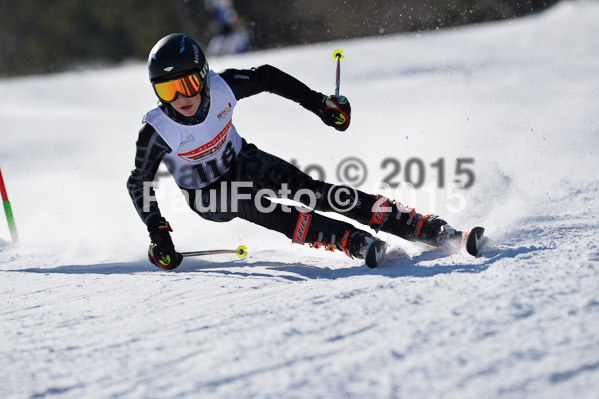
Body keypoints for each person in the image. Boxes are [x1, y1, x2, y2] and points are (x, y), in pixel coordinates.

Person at [127, 33, 464, 270]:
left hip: (243, 160)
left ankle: (422, 227)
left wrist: (320, 104)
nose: (179, 99)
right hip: (205, 195)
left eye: (185, 85)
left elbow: (269, 78)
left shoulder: (224, 86)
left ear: (202, 76)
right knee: (253, 203)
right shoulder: (157, 129)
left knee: (313, 192)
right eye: (166, 89)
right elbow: (138, 181)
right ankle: (349, 241)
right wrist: (158, 232)